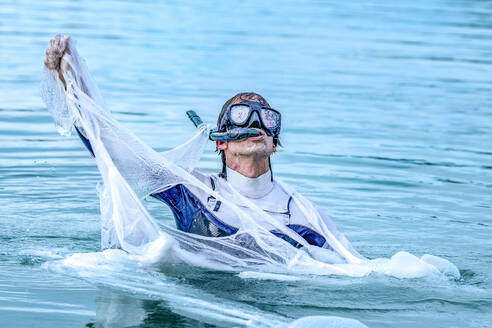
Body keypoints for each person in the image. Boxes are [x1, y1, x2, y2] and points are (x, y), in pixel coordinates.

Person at [43, 35, 363, 263]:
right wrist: (72, 83)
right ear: (220, 141)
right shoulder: (190, 188)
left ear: (274, 144)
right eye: (241, 114)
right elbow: (114, 151)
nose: (256, 122)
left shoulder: (303, 212)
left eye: (266, 117)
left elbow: (355, 268)